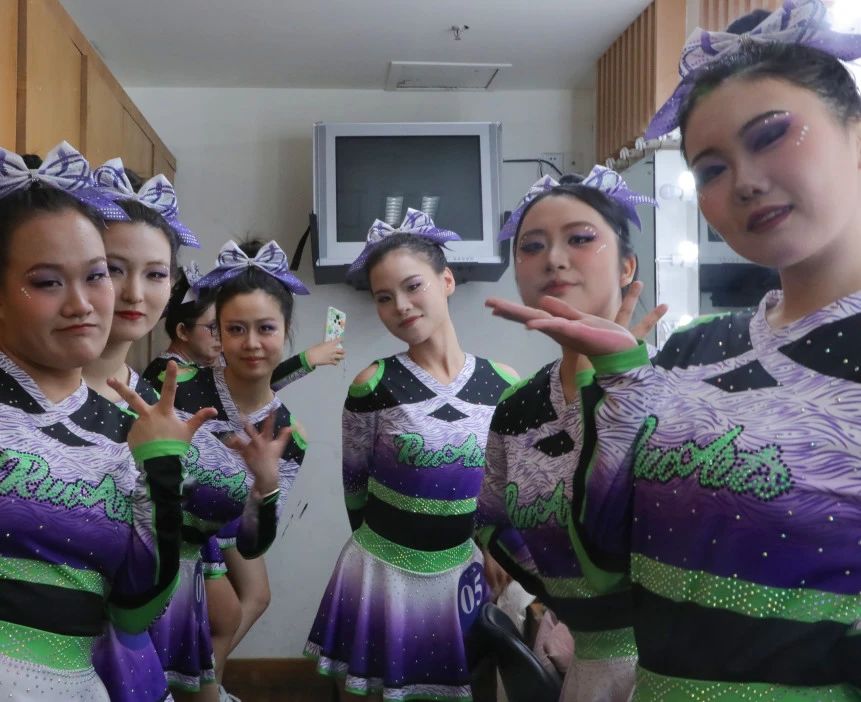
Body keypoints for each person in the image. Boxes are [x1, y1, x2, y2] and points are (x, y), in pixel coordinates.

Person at [487, 1, 861, 698]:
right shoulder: (691, 352)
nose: (744, 181)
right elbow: (604, 561)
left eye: (772, 134)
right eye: (710, 168)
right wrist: (620, 380)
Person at [0, 142, 213, 700]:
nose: (83, 304)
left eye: (96, 276)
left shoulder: (129, 431)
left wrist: (162, 471)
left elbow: (135, 611)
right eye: (47, 282)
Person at [305, 210, 518, 701]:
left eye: (412, 286)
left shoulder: (504, 384)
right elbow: (354, 489)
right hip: (382, 571)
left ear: (447, 281)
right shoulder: (373, 384)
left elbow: (504, 486)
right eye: (384, 297)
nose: (400, 305)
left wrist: (497, 548)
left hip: (463, 570)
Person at [477, 167, 664, 702]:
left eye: (580, 239)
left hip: (671, 663)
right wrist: (559, 596)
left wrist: (608, 379)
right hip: (584, 662)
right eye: (532, 246)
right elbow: (490, 520)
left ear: (627, 266)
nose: (554, 259)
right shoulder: (518, 407)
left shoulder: (672, 384)